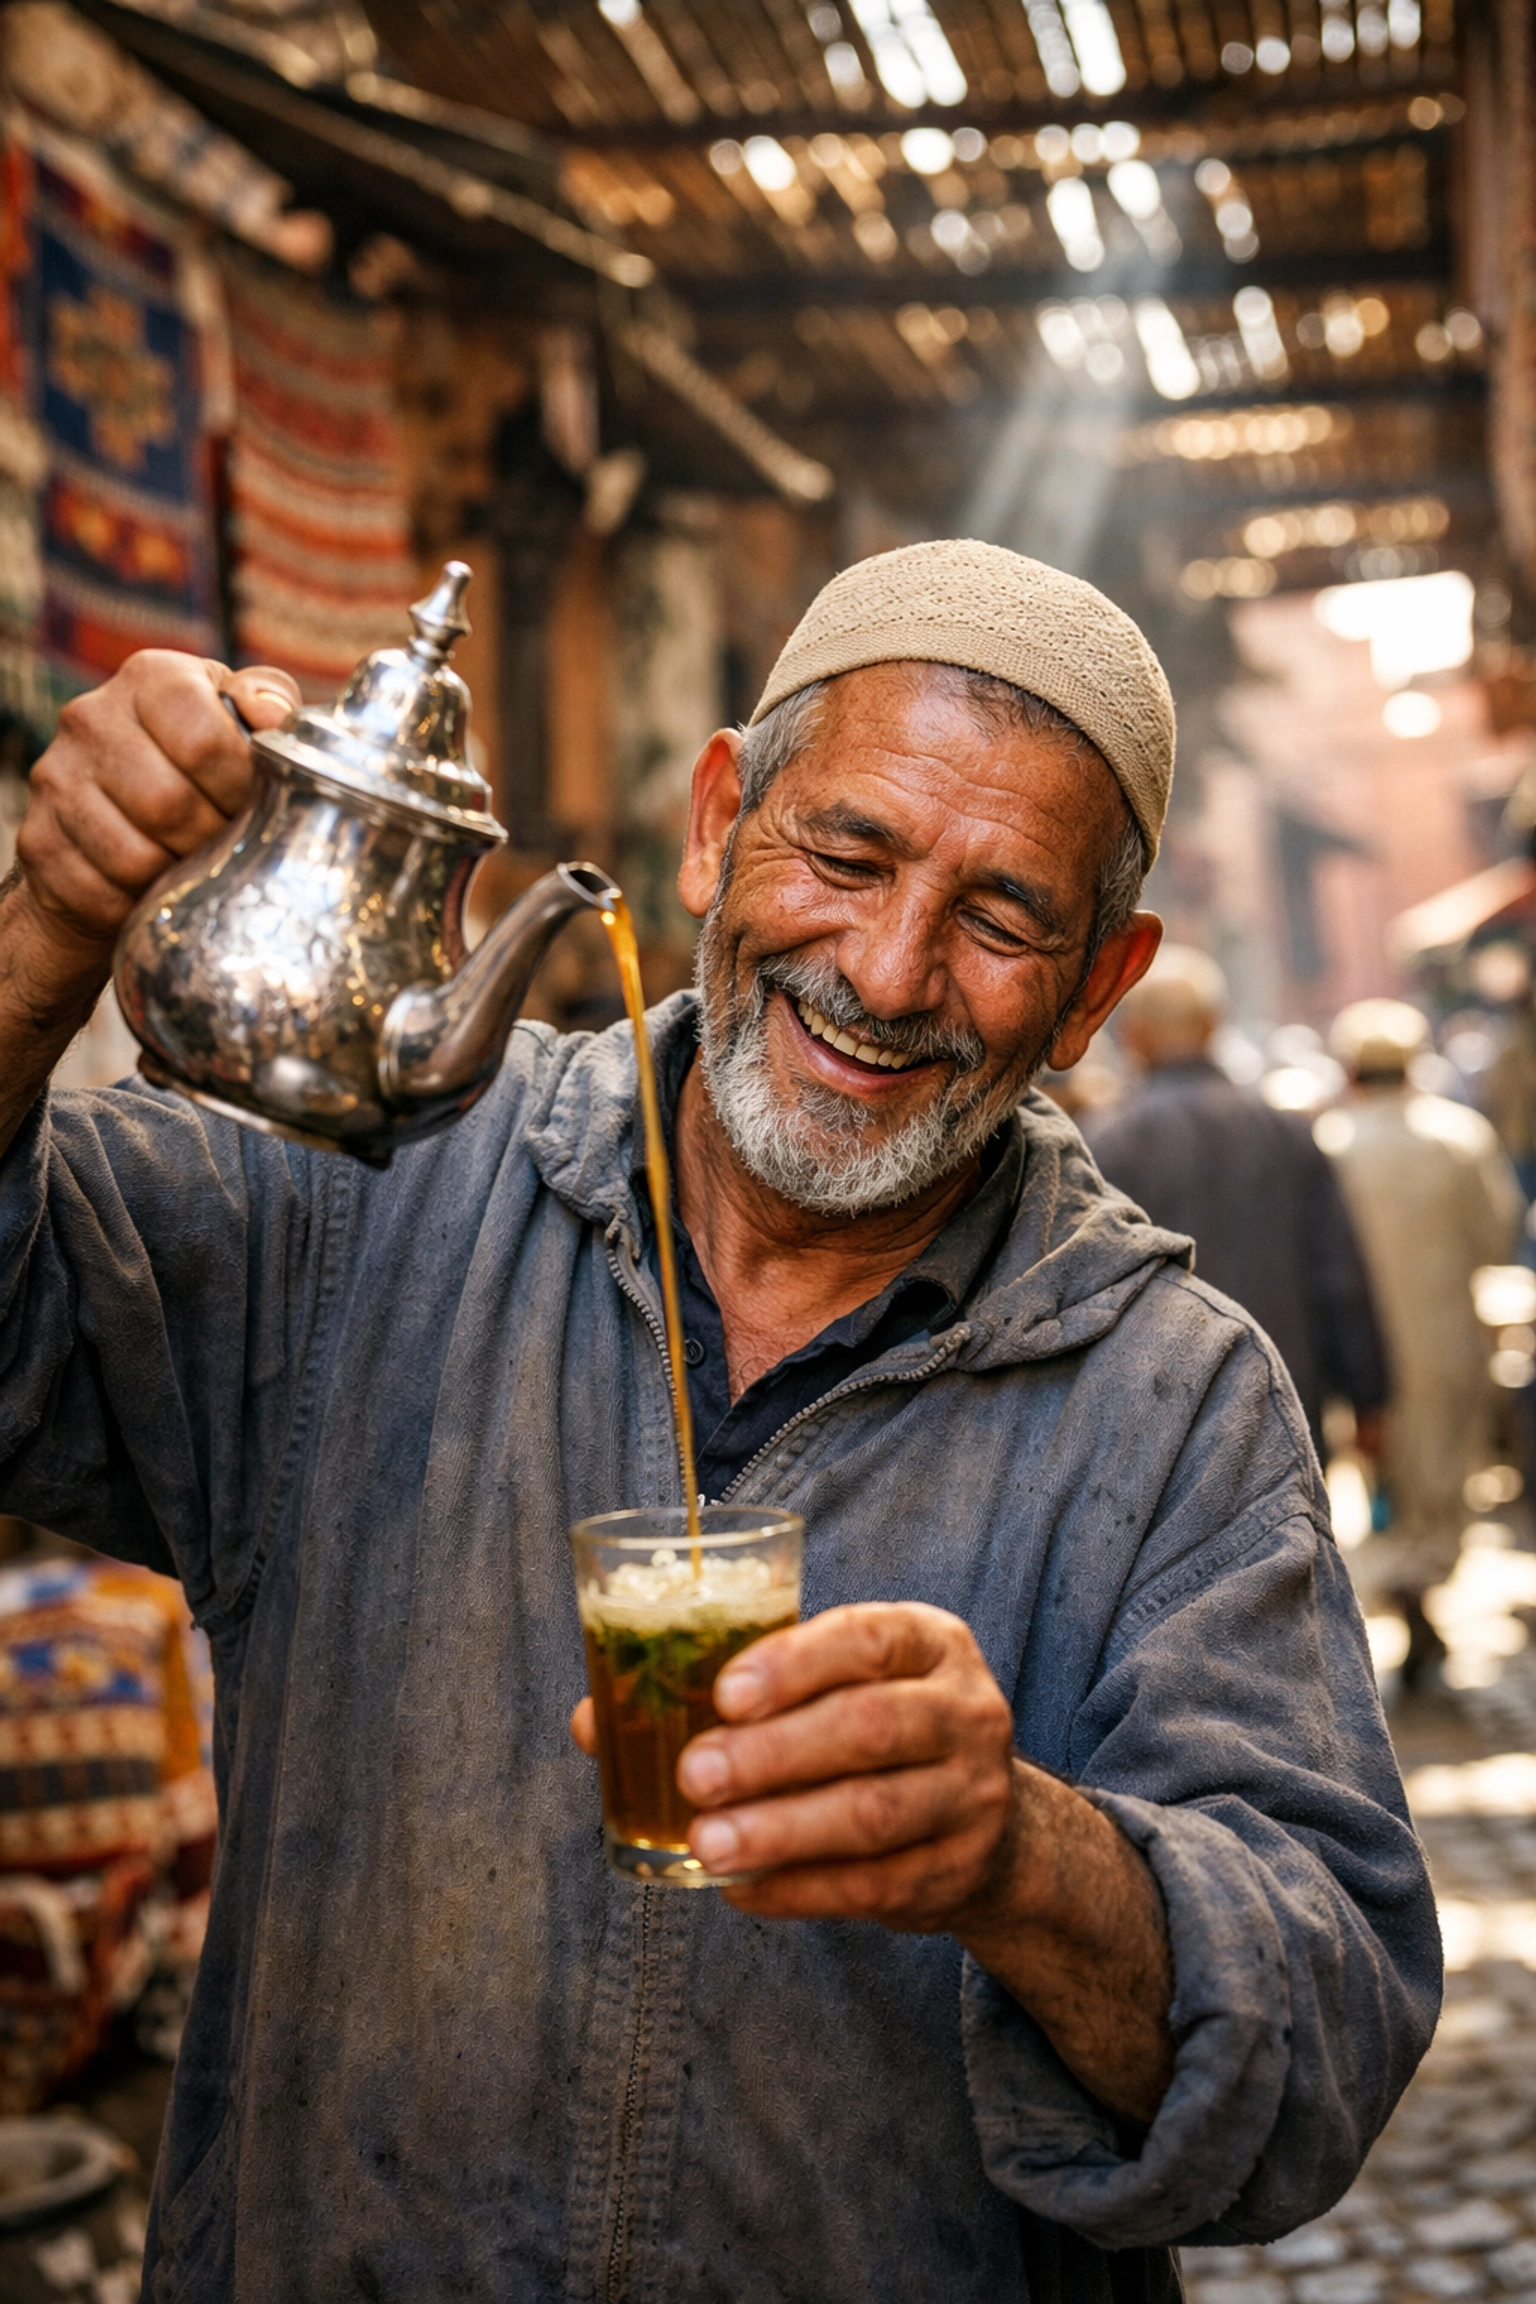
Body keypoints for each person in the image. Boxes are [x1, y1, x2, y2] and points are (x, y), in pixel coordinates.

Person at [0, 541, 1437, 2303]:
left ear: (1100, 983)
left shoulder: (1173, 1404)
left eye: (1001, 918)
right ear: (712, 822)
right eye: (844, 854)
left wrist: (1022, 1853)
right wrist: (50, 925)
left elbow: (1321, 2044)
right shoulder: (362, 1197)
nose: (890, 971)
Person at [1084, 946, 1387, 1449]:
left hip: (1161, 1426)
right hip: (1288, 1401)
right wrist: (1368, 1398)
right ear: (1214, 1026)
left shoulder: (1105, 1145)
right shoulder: (1285, 1131)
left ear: (1133, 1037)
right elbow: (1338, 1275)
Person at [1321, 997, 1524, 1685]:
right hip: (1447, 1344)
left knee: (1384, 1485)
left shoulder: (1332, 1145)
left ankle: (1408, 1599)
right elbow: (1496, 1234)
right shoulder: (1457, 1137)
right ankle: (1419, 1596)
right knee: (1443, 1482)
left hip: (1361, 1354)